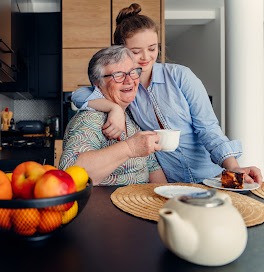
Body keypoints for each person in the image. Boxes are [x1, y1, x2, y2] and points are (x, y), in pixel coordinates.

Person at [71, 3, 262, 184]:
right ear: (121, 51)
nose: (146, 57)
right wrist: (114, 109)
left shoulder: (181, 76)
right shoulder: (127, 87)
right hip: (171, 181)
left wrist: (234, 167)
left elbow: (208, 128)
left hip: (210, 176)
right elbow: (78, 95)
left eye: (152, 48)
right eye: (136, 51)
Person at [59, 45, 167, 186]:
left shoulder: (131, 116)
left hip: (139, 203)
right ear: (98, 84)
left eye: (132, 72)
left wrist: (163, 199)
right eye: (118, 75)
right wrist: (130, 148)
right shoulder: (90, 119)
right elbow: (70, 173)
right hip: (106, 205)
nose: (129, 81)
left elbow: (152, 166)